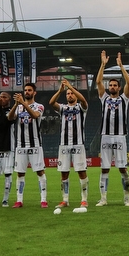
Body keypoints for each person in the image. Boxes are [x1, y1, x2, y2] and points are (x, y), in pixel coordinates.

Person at [95, 51, 129, 207]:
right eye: (110, 85)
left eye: (114, 85)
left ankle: (126, 198)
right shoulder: (104, 98)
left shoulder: (124, 98)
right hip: (106, 137)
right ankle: (103, 198)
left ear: (119, 87)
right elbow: (98, 82)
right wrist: (103, 65)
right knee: (104, 169)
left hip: (120, 137)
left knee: (122, 169)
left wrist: (121, 66)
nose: (112, 87)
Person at [50, 79, 90, 211]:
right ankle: (65, 200)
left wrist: (71, 87)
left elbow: (83, 100)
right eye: (67, 94)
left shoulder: (81, 107)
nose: (70, 95)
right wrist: (60, 90)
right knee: (64, 173)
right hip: (64, 145)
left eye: (71, 93)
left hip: (78, 144)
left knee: (81, 172)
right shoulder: (63, 108)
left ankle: (84, 200)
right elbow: (51, 103)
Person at [8, 83, 49, 208]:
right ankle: (19, 200)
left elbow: (35, 115)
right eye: (25, 90)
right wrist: (16, 104)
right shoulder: (18, 107)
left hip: (35, 144)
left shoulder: (39, 106)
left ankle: (43, 199)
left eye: (29, 90)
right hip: (20, 145)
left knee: (40, 172)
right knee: (20, 173)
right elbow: (10, 118)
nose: (27, 92)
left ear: (34, 92)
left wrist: (23, 103)